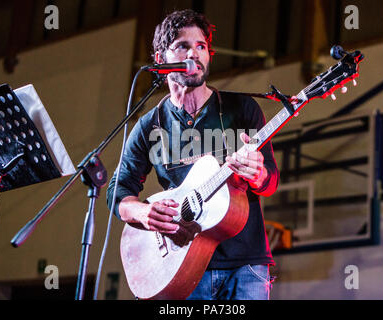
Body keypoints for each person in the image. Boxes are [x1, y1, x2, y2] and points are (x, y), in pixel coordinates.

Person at [106, 9, 279, 300]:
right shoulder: (150, 124)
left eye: (201, 46)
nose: (195, 54)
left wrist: (258, 173)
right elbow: (117, 191)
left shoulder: (242, 109)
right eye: (183, 46)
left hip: (245, 266)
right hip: (180, 267)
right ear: (160, 60)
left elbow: (270, 181)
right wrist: (144, 213)